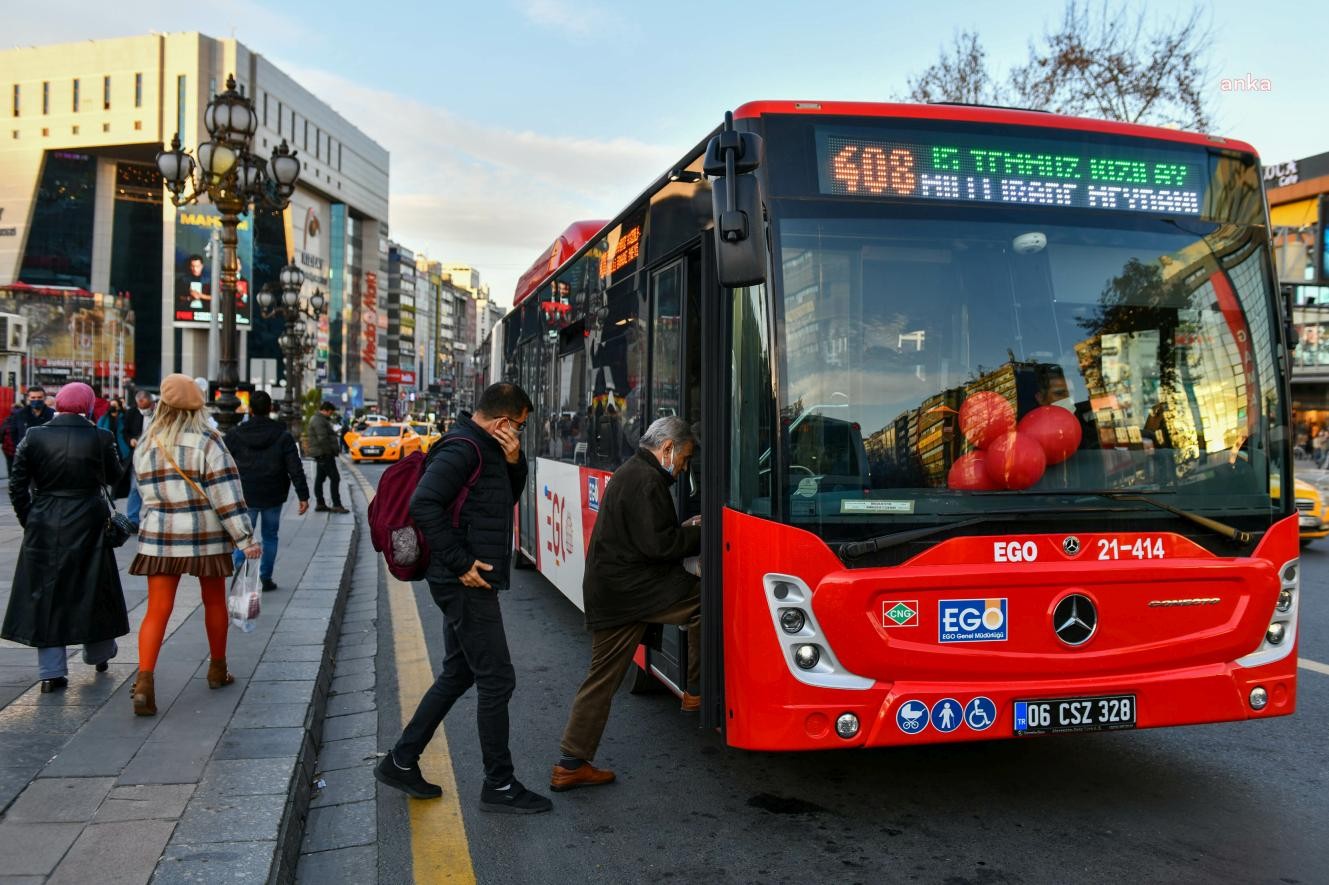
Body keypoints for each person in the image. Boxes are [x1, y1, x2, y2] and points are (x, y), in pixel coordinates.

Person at [375, 383, 552, 815]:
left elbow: (497, 502)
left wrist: (513, 461)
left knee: (459, 672)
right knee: (497, 678)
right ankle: (500, 785)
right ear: (504, 422)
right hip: (464, 583)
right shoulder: (463, 450)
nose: (522, 434)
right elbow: (424, 503)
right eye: (521, 427)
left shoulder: (487, 448)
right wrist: (460, 564)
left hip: (465, 580)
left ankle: (401, 760)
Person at [551, 415, 701, 792]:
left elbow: (651, 538)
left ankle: (570, 763)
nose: (683, 469)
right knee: (706, 601)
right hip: (634, 593)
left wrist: (683, 530)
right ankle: (696, 691)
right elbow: (660, 546)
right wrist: (699, 533)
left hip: (614, 591)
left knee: (601, 679)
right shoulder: (646, 480)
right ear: (667, 449)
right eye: (683, 459)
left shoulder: (633, 472)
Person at [127, 374, 260, 716]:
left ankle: (144, 682)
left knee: (158, 609)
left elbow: (143, 492)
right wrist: (245, 538)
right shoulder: (209, 441)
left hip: (159, 537)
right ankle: (217, 669)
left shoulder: (147, 442)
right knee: (213, 600)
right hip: (205, 535)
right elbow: (226, 495)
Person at [2, 382, 128, 693]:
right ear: (87, 405)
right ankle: (98, 652)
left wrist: (30, 519)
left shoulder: (34, 436)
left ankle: (51, 673)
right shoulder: (101, 437)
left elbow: (17, 485)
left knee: (46, 594)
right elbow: (116, 479)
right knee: (93, 587)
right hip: (89, 518)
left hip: (45, 519)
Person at [224, 390, 310, 592]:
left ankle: (240, 573)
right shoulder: (282, 435)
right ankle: (265, 578)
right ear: (270, 408)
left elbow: (224, 462)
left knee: (243, 535)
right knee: (270, 535)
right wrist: (303, 495)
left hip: (245, 493)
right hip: (273, 493)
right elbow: (294, 466)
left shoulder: (235, 434)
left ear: (250, 409)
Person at [307, 402, 348, 514]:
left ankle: (320, 504)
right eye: (330, 412)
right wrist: (329, 452)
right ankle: (337, 504)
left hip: (322, 454)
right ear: (325, 409)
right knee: (335, 478)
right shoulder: (318, 420)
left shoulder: (320, 419)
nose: (331, 414)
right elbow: (323, 438)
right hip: (324, 454)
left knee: (320, 479)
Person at [123, 389, 155, 529]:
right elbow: (125, 431)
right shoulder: (131, 413)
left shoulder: (159, 414)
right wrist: (130, 440)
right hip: (137, 454)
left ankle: (150, 516)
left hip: (153, 454)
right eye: (140, 406)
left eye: (146, 406)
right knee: (135, 487)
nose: (143, 409)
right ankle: (133, 519)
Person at [97, 398, 133, 498]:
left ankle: (115, 493)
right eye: (111, 405)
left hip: (121, 448)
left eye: (115, 406)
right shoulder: (104, 417)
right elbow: (99, 429)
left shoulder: (123, 417)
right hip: (108, 447)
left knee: (120, 470)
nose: (113, 408)